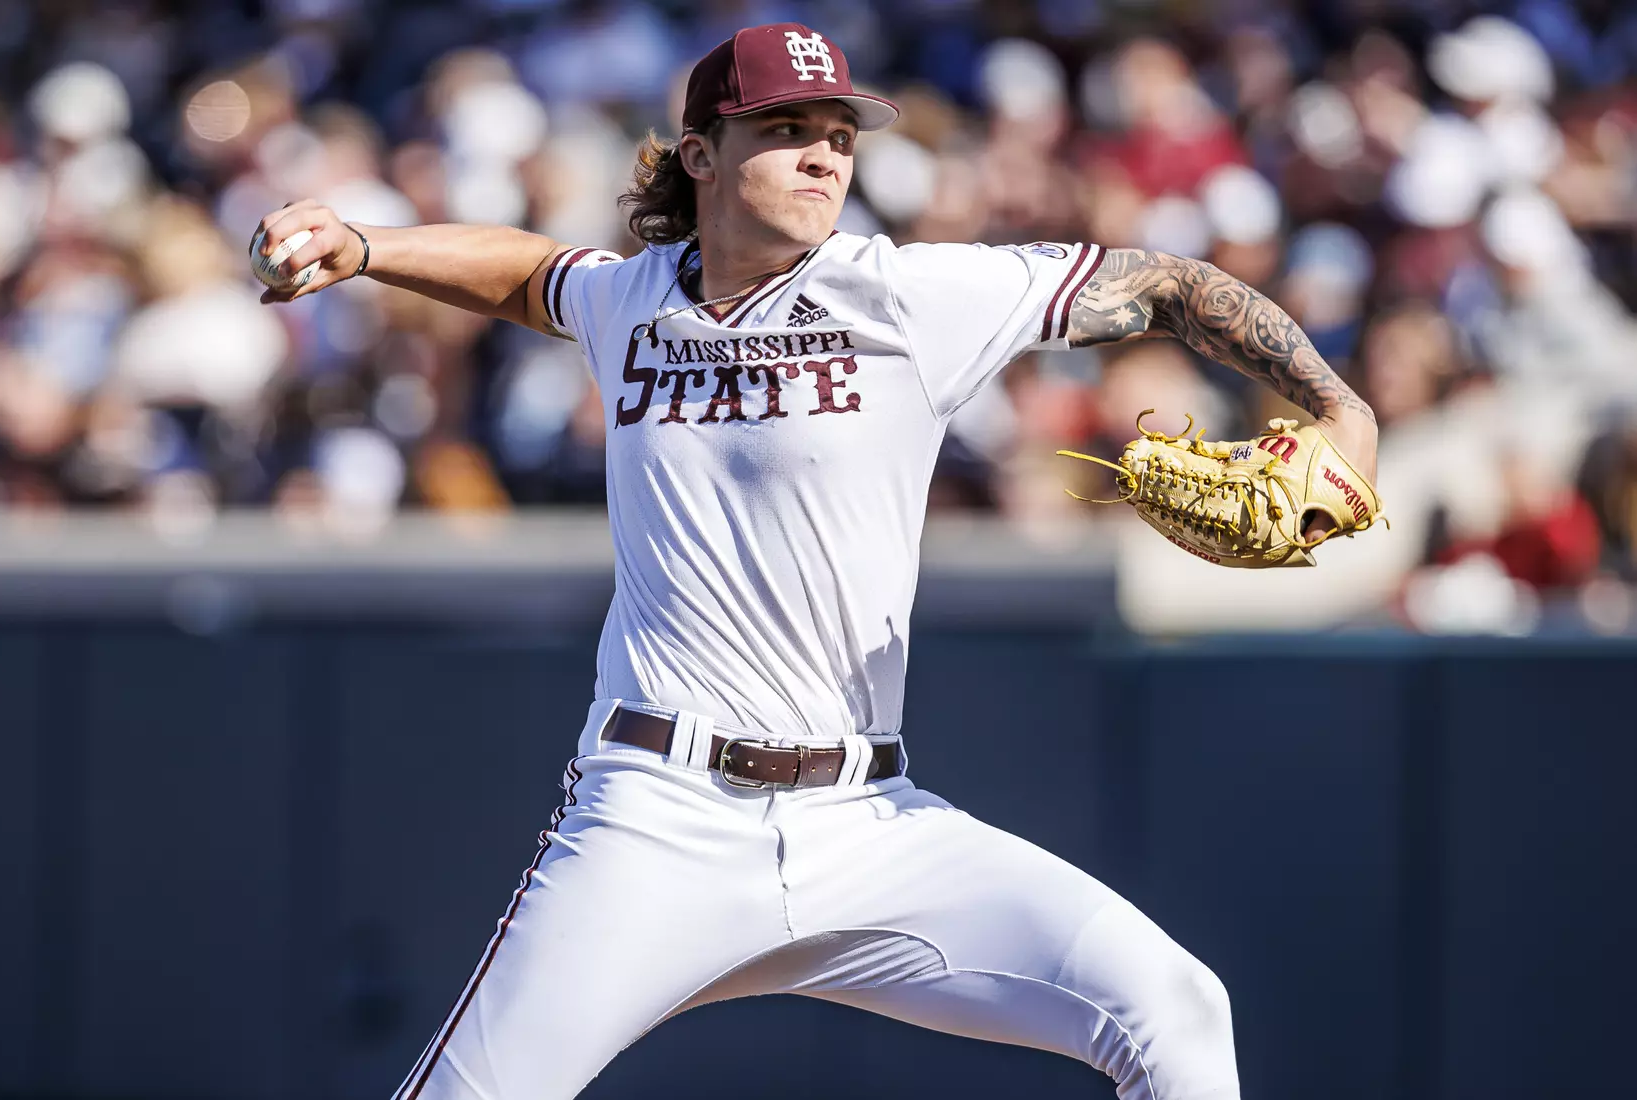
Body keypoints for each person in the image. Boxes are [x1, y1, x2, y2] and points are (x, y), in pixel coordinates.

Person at [253, 23, 1377, 1100]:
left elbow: (1169, 282)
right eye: (787, 128)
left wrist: (1335, 405)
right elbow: (531, 272)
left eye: (840, 133)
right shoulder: (632, 300)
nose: (824, 155)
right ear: (702, 153)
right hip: (656, 818)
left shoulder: (905, 295)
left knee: (1173, 1005)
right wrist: (365, 249)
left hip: (870, 822)